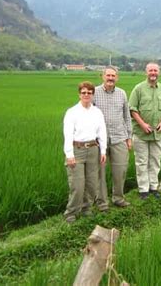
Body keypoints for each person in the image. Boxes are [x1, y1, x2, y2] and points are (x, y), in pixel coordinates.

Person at [63, 81, 107, 223]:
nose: (86, 95)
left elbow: (102, 132)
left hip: (93, 149)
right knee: (77, 185)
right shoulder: (72, 112)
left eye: (89, 92)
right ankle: (71, 213)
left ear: (93, 94)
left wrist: (103, 150)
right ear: (79, 94)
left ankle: (86, 209)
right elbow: (68, 134)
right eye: (84, 92)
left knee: (92, 183)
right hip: (77, 150)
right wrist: (69, 154)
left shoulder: (97, 112)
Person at [129, 63, 161, 199]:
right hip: (141, 133)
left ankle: (154, 187)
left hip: (157, 134)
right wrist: (142, 124)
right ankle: (143, 190)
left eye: (155, 70)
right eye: (150, 70)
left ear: (159, 72)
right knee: (141, 162)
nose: (153, 73)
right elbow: (133, 108)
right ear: (146, 72)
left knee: (155, 161)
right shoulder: (138, 89)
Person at [93, 66, 132, 210]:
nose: (110, 78)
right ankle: (102, 203)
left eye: (113, 76)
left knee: (120, 170)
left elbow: (126, 116)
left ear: (117, 78)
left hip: (119, 137)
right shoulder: (94, 92)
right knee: (100, 173)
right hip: (99, 141)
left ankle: (118, 198)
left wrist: (129, 137)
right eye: (108, 75)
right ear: (102, 76)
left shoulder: (122, 93)